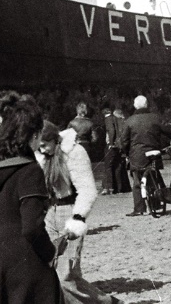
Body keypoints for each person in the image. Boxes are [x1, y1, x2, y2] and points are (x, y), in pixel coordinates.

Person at [0, 98, 60, 304]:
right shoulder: (30, 170)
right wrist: (49, 253)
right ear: (31, 135)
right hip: (26, 259)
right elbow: (32, 227)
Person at [35, 122, 117, 304]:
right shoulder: (41, 156)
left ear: (55, 140)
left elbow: (87, 189)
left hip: (69, 212)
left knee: (66, 276)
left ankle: (107, 302)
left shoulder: (74, 152)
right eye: (38, 146)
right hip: (48, 214)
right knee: (49, 273)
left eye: (45, 145)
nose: (42, 150)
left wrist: (77, 218)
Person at [124, 95, 171, 216]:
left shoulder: (130, 121)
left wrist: (126, 152)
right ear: (147, 104)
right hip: (154, 153)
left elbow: (124, 141)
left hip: (136, 155)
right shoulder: (155, 118)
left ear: (134, 105)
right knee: (154, 177)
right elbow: (169, 130)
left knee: (137, 181)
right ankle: (156, 203)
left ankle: (139, 208)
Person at [101, 106, 129, 195]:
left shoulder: (108, 119)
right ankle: (118, 187)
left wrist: (111, 143)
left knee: (108, 165)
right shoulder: (116, 119)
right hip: (119, 145)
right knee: (117, 166)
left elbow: (111, 130)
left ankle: (109, 187)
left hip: (113, 145)